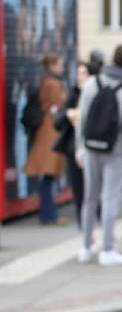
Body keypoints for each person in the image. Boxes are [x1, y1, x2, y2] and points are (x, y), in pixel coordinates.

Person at [76, 44, 122, 266]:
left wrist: (81, 147)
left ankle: (86, 246)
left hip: (92, 147)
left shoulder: (92, 84)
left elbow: (82, 119)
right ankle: (107, 249)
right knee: (110, 198)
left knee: (90, 197)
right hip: (118, 150)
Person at [25, 54, 68, 225]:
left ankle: (48, 213)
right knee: (48, 176)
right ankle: (49, 215)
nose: (62, 67)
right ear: (53, 64)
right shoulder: (52, 84)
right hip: (50, 131)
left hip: (46, 130)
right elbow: (61, 103)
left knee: (47, 177)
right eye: (60, 63)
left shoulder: (46, 81)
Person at [53, 61, 97, 226]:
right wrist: (68, 114)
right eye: (79, 73)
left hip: (93, 147)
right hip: (74, 148)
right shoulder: (73, 94)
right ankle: (83, 222)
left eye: (84, 73)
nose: (81, 77)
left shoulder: (98, 94)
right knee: (78, 187)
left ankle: (93, 217)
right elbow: (58, 121)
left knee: (93, 187)